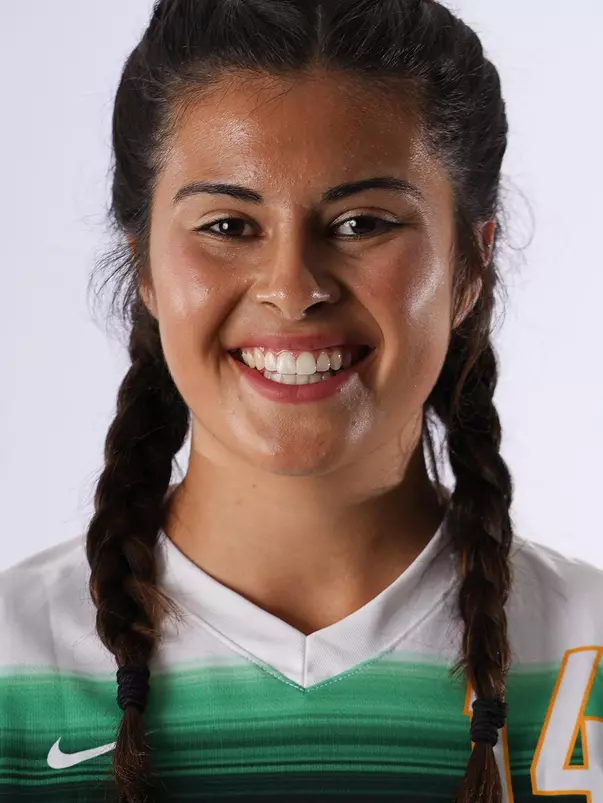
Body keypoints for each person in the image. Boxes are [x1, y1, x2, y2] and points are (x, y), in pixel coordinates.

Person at [1, 0, 602, 801]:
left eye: (360, 223)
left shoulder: (584, 657)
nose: (292, 289)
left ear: (469, 264)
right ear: (144, 261)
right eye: (226, 224)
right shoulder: (12, 664)